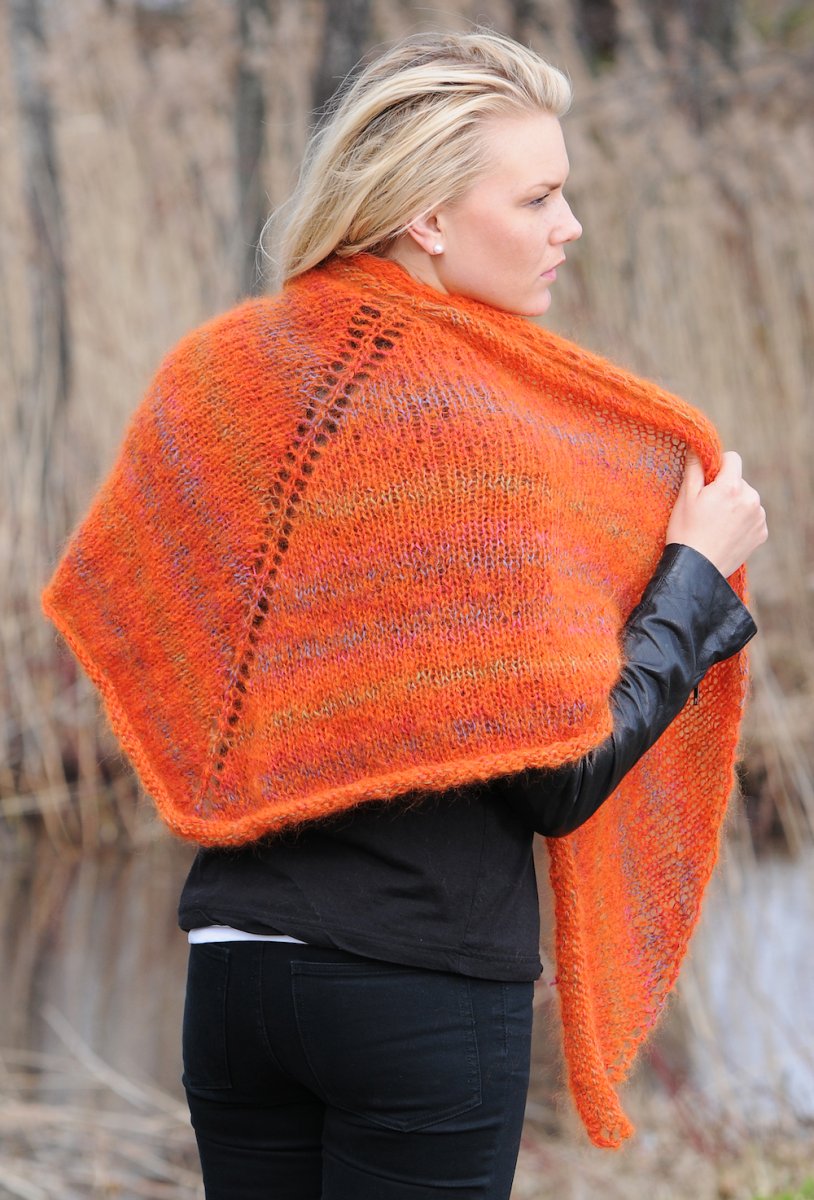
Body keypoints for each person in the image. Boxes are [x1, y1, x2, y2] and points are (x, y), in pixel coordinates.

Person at [42, 26, 767, 1200]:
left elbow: (130, 623)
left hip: (233, 980)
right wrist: (691, 578)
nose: (569, 226)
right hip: (415, 993)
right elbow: (562, 775)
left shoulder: (219, 373)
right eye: (536, 198)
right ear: (427, 217)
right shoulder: (478, 432)